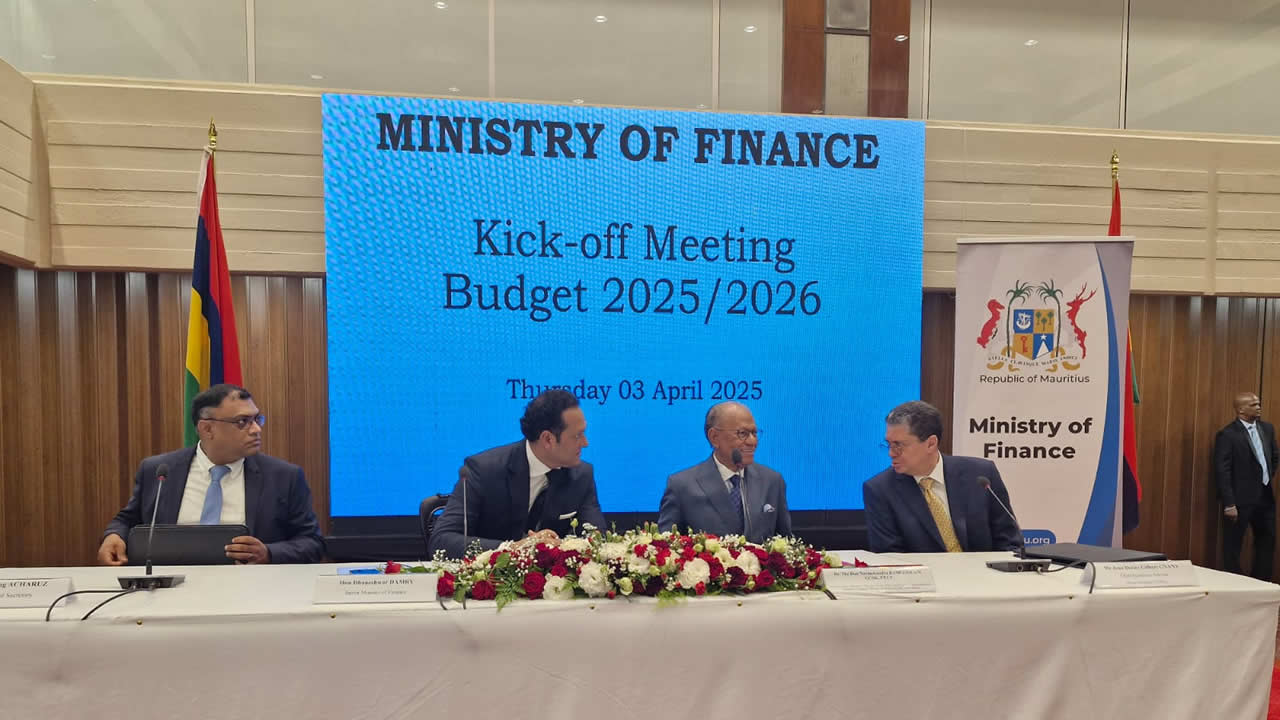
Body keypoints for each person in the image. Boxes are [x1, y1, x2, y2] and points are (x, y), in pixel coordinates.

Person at [97, 384, 325, 565]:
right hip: (171, 590)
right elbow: (127, 521)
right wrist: (114, 536)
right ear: (207, 429)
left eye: (257, 419)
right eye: (243, 422)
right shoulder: (159, 471)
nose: (256, 429)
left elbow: (313, 543)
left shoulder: (284, 477)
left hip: (250, 590)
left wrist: (268, 553)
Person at [428, 389, 605, 559]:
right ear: (548, 439)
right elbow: (441, 541)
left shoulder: (581, 475)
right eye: (577, 436)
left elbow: (597, 542)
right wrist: (513, 548)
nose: (585, 443)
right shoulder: (483, 471)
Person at [863, 400, 1023, 553]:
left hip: (984, 571)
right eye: (889, 444)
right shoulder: (880, 490)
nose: (891, 453)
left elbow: (1010, 543)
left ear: (931, 443)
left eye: (898, 445)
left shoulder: (981, 475)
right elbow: (891, 558)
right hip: (926, 573)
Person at [657, 402, 791, 543]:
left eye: (754, 433)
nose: (752, 442)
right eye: (743, 434)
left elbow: (786, 543)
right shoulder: (682, 486)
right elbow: (666, 547)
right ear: (714, 437)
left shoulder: (772, 481)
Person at [1213, 391, 1278, 580]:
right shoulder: (1227, 434)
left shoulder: (1267, 429)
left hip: (1265, 497)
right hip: (1239, 501)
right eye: (1253, 404)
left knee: (1267, 541)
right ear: (1241, 409)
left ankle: (1261, 582)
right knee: (1233, 546)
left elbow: (1274, 457)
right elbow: (1222, 470)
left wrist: (1265, 478)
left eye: (1258, 403)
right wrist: (1229, 503)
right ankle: (1235, 584)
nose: (1258, 407)